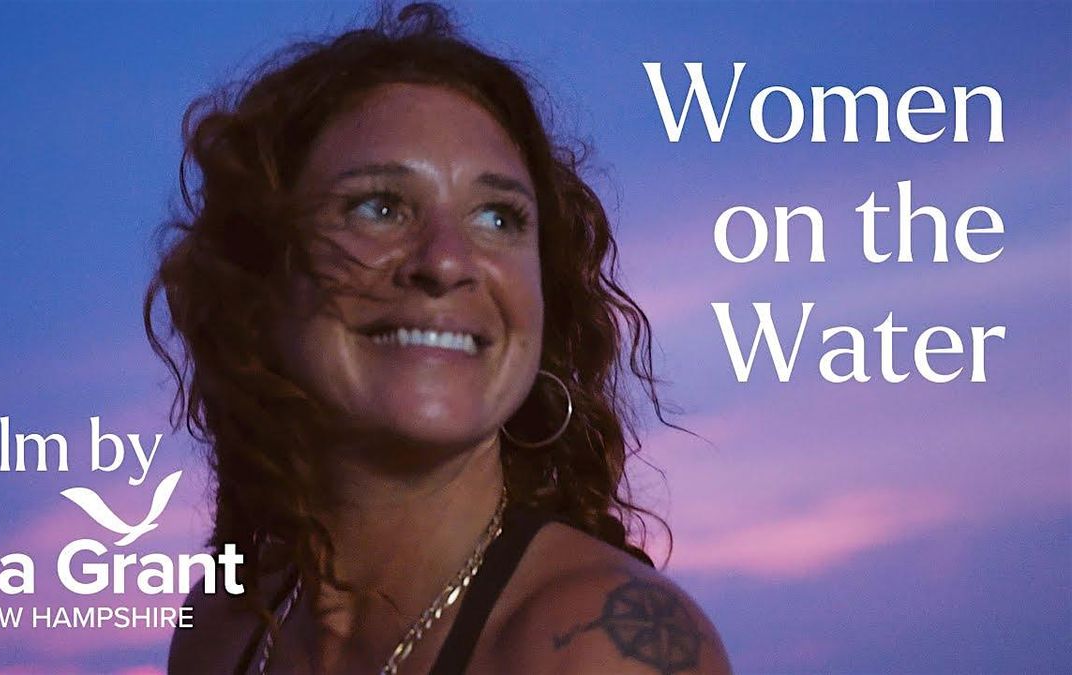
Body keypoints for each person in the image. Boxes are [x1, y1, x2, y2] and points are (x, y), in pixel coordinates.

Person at [150, 3, 729, 673]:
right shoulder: (222, 625)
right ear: (258, 278)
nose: (447, 260)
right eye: (379, 207)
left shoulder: (601, 647)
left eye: (498, 217)